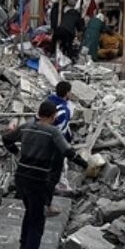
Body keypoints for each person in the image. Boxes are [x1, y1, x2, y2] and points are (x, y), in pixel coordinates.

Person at [2, 100, 88, 249]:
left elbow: (6, 139)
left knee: (30, 212)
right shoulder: (53, 132)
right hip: (38, 183)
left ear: (38, 113)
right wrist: (85, 165)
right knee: (37, 223)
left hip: (21, 179)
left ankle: (23, 248)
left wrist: (17, 153)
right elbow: (68, 152)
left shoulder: (26, 127)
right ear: (53, 117)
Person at [44, 81, 74, 216]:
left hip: (42, 141)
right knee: (57, 170)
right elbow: (60, 130)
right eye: (70, 91)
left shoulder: (48, 102)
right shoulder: (64, 109)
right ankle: (50, 200)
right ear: (67, 93)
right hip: (55, 145)